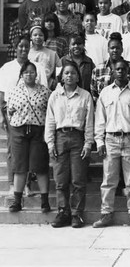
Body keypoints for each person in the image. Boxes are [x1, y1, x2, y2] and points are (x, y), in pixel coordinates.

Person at [93, 59, 130, 229]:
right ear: (112, 71)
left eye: (123, 69)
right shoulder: (105, 93)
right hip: (110, 139)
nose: (120, 72)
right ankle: (106, 213)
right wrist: (99, 141)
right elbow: (100, 119)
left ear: (128, 72)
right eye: (117, 69)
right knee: (109, 180)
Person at [45, 62, 94, 228]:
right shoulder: (55, 96)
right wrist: (50, 143)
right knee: (60, 179)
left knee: (78, 179)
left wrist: (88, 144)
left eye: (73, 73)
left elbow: (89, 122)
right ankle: (63, 212)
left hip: (78, 138)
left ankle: (76, 214)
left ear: (78, 76)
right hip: (60, 137)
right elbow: (50, 121)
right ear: (62, 76)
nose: (69, 76)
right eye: (66, 73)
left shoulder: (85, 96)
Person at [0, 37, 48, 196]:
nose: (23, 49)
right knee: (13, 150)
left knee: (31, 152)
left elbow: (43, 91)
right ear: (15, 46)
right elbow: (1, 94)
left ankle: (27, 185)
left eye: (26, 46)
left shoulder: (37, 67)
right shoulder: (7, 68)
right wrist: (2, 116)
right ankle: (12, 184)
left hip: (33, 117)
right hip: (12, 114)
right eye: (20, 46)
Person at [6, 61, 51, 214]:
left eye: (32, 72)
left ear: (36, 74)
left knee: (40, 166)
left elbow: (50, 113)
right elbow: (9, 111)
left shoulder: (45, 92)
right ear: (21, 75)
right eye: (26, 72)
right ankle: (17, 201)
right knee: (19, 167)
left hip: (38, 132)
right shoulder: (14, 91)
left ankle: (45, 201)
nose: (29, 74)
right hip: (19, 131)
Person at [90, 32, 130, 102]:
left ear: (122, 50)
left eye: (117, 48)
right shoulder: (98, 69)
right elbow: (94, 94)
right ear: (107, 50)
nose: (115, 50)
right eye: (112, 48)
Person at [28, 25, 61, 90]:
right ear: (31, 37)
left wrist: (55, 81)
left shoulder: (52, 54)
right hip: (29, 87)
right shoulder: (26, 53)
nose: (38, 37)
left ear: (44, 37)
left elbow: (59, 69)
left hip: (47, 88)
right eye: (35, 35)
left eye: (40, 35)